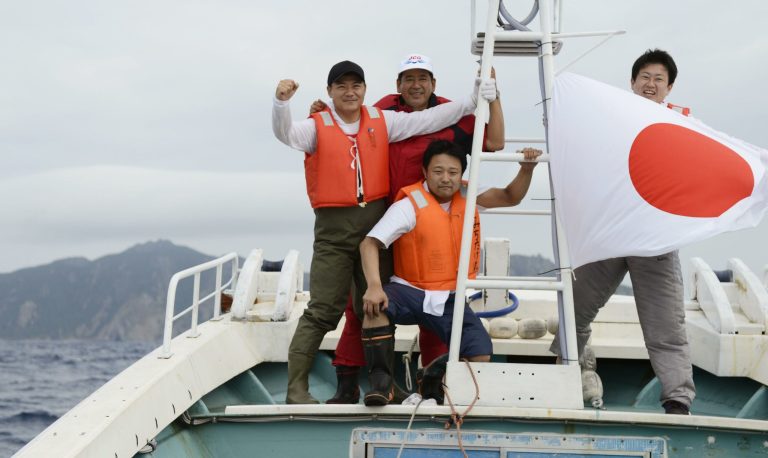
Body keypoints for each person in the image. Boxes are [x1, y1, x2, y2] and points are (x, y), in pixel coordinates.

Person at [272, 60, 498, 404]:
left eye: (356, 86)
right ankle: (299, 390)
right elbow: (286, 134)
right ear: (330, 92)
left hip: (380, 222)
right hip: (340, 229)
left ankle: (388, 384)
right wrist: (281, 103)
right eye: (341, 87)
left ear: (364, 90)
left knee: (377, 305)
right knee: (325, 310)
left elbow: (428, 119)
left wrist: (473, 98)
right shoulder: (319, 125)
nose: (349, 92)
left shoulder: (383, 120)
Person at [549, 49, 696, 415]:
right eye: (644, 77)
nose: (650, 84)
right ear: (632, 82)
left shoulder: (684, 129)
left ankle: (678, 400)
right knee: (575, 309)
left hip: (655, 240)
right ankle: (562, 377)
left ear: (669, 87)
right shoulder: (610, 117)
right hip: (611, 234)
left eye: (658, 79)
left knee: (665, 325)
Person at [357, 140, 541, 406]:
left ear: (462, 175)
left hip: (450, 299)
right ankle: (383, 385)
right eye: (438, 171)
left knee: (480, 354)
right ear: (425, 171)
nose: (446, 179)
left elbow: (511, 196)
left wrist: (527, 169)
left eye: (453, 173)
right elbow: (369, 243)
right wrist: (374, 286)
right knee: (375, 307)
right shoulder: (408, 205)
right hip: (410, 291)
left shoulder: (468, 195)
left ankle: (432, 377)